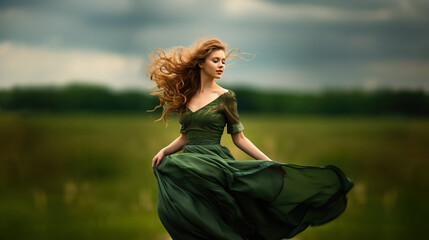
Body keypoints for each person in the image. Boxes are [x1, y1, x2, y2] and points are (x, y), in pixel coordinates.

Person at [148, 38, 354, 240]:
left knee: (219, 221)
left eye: (223, 61)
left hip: (213, 164)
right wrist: (164, 151)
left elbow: (239, 138)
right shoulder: (187, 96)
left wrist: (269, 163)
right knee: (182, 213)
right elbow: (185, 137)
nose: (221, 65)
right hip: (189, 166)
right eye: (215, 60)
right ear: (201, 63)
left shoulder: (226, 97)